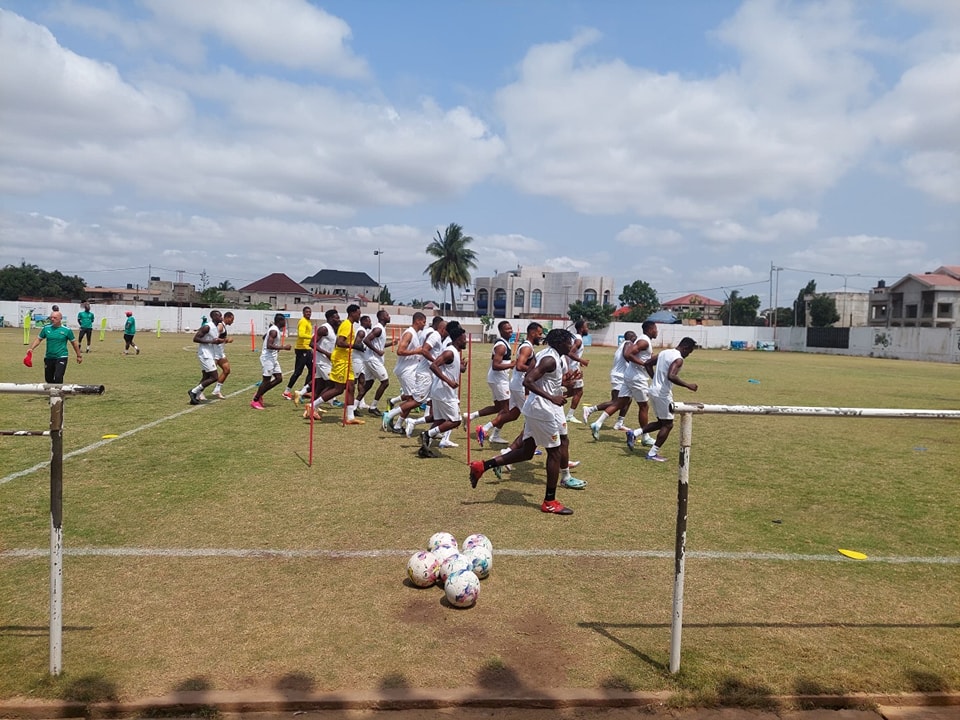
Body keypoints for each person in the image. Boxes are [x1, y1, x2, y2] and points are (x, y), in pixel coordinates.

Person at [468, 328, 585, 515]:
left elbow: (539, 378)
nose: (572, 346)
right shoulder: (549, 358)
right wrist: (552, 397)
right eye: (569, 343)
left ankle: (483, 466)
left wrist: (565, 383)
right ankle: (549, 501)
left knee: (527, 452)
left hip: (536, 408)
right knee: (555, 453)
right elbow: (528, 380)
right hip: (543, 410)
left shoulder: (547, 355)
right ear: (560, 343)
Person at [626, 336, 699, 461]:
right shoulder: (678, 359)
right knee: (668, 425)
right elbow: (671, 376)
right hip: (662, 394)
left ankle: (635, 433)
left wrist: (655, 379)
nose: (688, 355)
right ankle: (652, 453)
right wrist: (688, 385)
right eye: (689, 352)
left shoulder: (665, 352)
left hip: (653, 390)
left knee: (661, 422)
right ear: (685, 348)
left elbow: (648, 363)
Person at [305, 304, 365, 424]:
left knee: (351, 387)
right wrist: (354, 346)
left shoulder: (351, 325)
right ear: (352, 313)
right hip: (340, 360)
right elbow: (340, 343)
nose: (360, 315)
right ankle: (312, 405)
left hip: (347, 360)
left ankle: (350, 417)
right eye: (358, 313)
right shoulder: (346, 325)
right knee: (338, 389)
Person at [420, 322, 468, 456]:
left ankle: (425, 447)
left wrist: (462, 367)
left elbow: (452, 368)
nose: (466, 342)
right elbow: (434, 366)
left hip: (441, 391)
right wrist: (449, 381)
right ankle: (427, 434)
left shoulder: (455, 352)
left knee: (440, 420)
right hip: (444, 391)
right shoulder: (449, 352)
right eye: (464, 339)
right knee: (455, 421)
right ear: (458, 339)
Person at [465, 320, 515, 445]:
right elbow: (496, 365)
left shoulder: (505, 344)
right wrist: (511, 364)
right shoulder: (501, 346)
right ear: (501, 331)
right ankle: (490, 432)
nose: (510, 331)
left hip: (497, 379)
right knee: (507, 410)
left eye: (510, 328)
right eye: (507, 329)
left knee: (498, 407)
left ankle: (471, 416)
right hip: (499, 380)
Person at [381, 312, 427, 432]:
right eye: (423, 321)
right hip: (406, 371)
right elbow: (400, 351)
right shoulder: (409, 333)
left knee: (412, 399)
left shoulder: (416, 334)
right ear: (417, 321)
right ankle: (390, 415)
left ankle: (397, 425)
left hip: (411, 370)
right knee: (415, 400)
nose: (424, 324)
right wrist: (416, 351)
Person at [583, 330, 635, 434]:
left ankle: (619, 423)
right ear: (631, 337)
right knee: (617, 402)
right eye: (635, 336)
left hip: (621, 376)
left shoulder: (624, 344)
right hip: (619, 376)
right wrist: (636, 364)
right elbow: (626, 355)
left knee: (628, 400)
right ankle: (590, 409)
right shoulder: (628, 343)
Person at [615, 322, 658, 446]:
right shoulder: (644, 341)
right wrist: (643, 364)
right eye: (655, 329)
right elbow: (628, 354)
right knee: (644, 406)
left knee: (621, 402)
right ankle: (645, 436)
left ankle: (598, 421)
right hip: (637, 378)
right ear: (650, 329)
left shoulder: (644, 340)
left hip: (631, 376)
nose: (657, 331)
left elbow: (645, 358)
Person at [23, 310, 82, 383]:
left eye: (55, 318)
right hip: (49, 357)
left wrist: (79, 355)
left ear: (60, 319)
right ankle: (53, 391)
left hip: (61, 357)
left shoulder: (67, 330)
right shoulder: (46, 329)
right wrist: (31, 348)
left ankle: (58, 393)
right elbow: (39, 339)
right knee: (48, 379)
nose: (52, 319)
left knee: (58, 376)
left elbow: (74, 343)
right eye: (51, 317)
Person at [358, 309, 395, 415]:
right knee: (385, 382)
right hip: (373, 360)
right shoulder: (378, 329)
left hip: (372, 359)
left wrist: (390, 344)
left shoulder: (381, 329)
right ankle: (373, 406)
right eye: (387, 315)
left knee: (368, 384)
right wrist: (377, 351)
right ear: (382, 317)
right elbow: (366, 340)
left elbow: (379, 344)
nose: (389, 316)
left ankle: (355, 405)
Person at [251, 313, 291, 410]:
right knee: (266, 380)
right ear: (280, 321)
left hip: (273, 358)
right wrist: (283, 347)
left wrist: (276, 346)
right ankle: (255, 400)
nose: (285, 323)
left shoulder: (274, 330)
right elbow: (269, 345)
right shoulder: (274, 330)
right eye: (284, 321)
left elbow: (264, 337)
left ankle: (260, 393)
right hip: (267, 358)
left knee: (279, 378)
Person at [188, 311, 225, 405]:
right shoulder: (207, 326)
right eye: (219, 315)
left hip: (210, 354)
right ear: (213, 317)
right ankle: (193, 391)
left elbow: (215, 341)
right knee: (214, 377)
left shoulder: (216, 328)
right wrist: (211, 341)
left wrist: (222, 341)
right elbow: (195, 338)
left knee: (206, 376)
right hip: (205, 354)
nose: (221, 317)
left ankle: (195, 397)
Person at [283, 307, 315, 400]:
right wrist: (312, 337)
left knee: (313, 370)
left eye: (310, 312)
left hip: (307, 349)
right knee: (298, 372)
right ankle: (286, 391)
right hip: (301, 349)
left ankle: (304, 391)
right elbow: (301, 335)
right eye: (307, 312)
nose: (308, 313)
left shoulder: (308, 322)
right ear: (303, 313)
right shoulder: (303, 321)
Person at [564, 319, 590, 423]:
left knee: (571, 391)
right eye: (586, 327)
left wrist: (578, 362)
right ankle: (570, 415)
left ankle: (553, 399)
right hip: (573, 369)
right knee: (579, 392)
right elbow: (570, 353)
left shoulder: (574, 338)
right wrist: (581, 360)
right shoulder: (578, 340)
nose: (587, 329)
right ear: (581, 329)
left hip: (571, 367)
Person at [212, 311, 235, 399]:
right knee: (210, 375)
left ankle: (217, 390)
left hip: (220, 353)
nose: (232, 322)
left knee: (227, 370)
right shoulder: (220, 326)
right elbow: (214, 338)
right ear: (228, 318)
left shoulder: (223, 326)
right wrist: (227, 340)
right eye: (232, 319)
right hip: (215, 353)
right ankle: (199, 391)